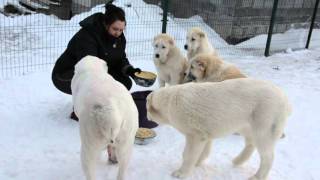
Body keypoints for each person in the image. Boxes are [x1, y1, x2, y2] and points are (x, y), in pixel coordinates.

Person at [52, 3, 141, 121]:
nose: (118, 33)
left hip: (97, 70)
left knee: (124, 82)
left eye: (121, 30)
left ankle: (105, 106)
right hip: (67, 74)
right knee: (96, 84)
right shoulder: (88, 35)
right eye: (115, 29)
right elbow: (89, 68)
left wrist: (129, 70)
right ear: (106, 24)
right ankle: (80, 111)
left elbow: (120, 57)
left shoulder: (118, 37)